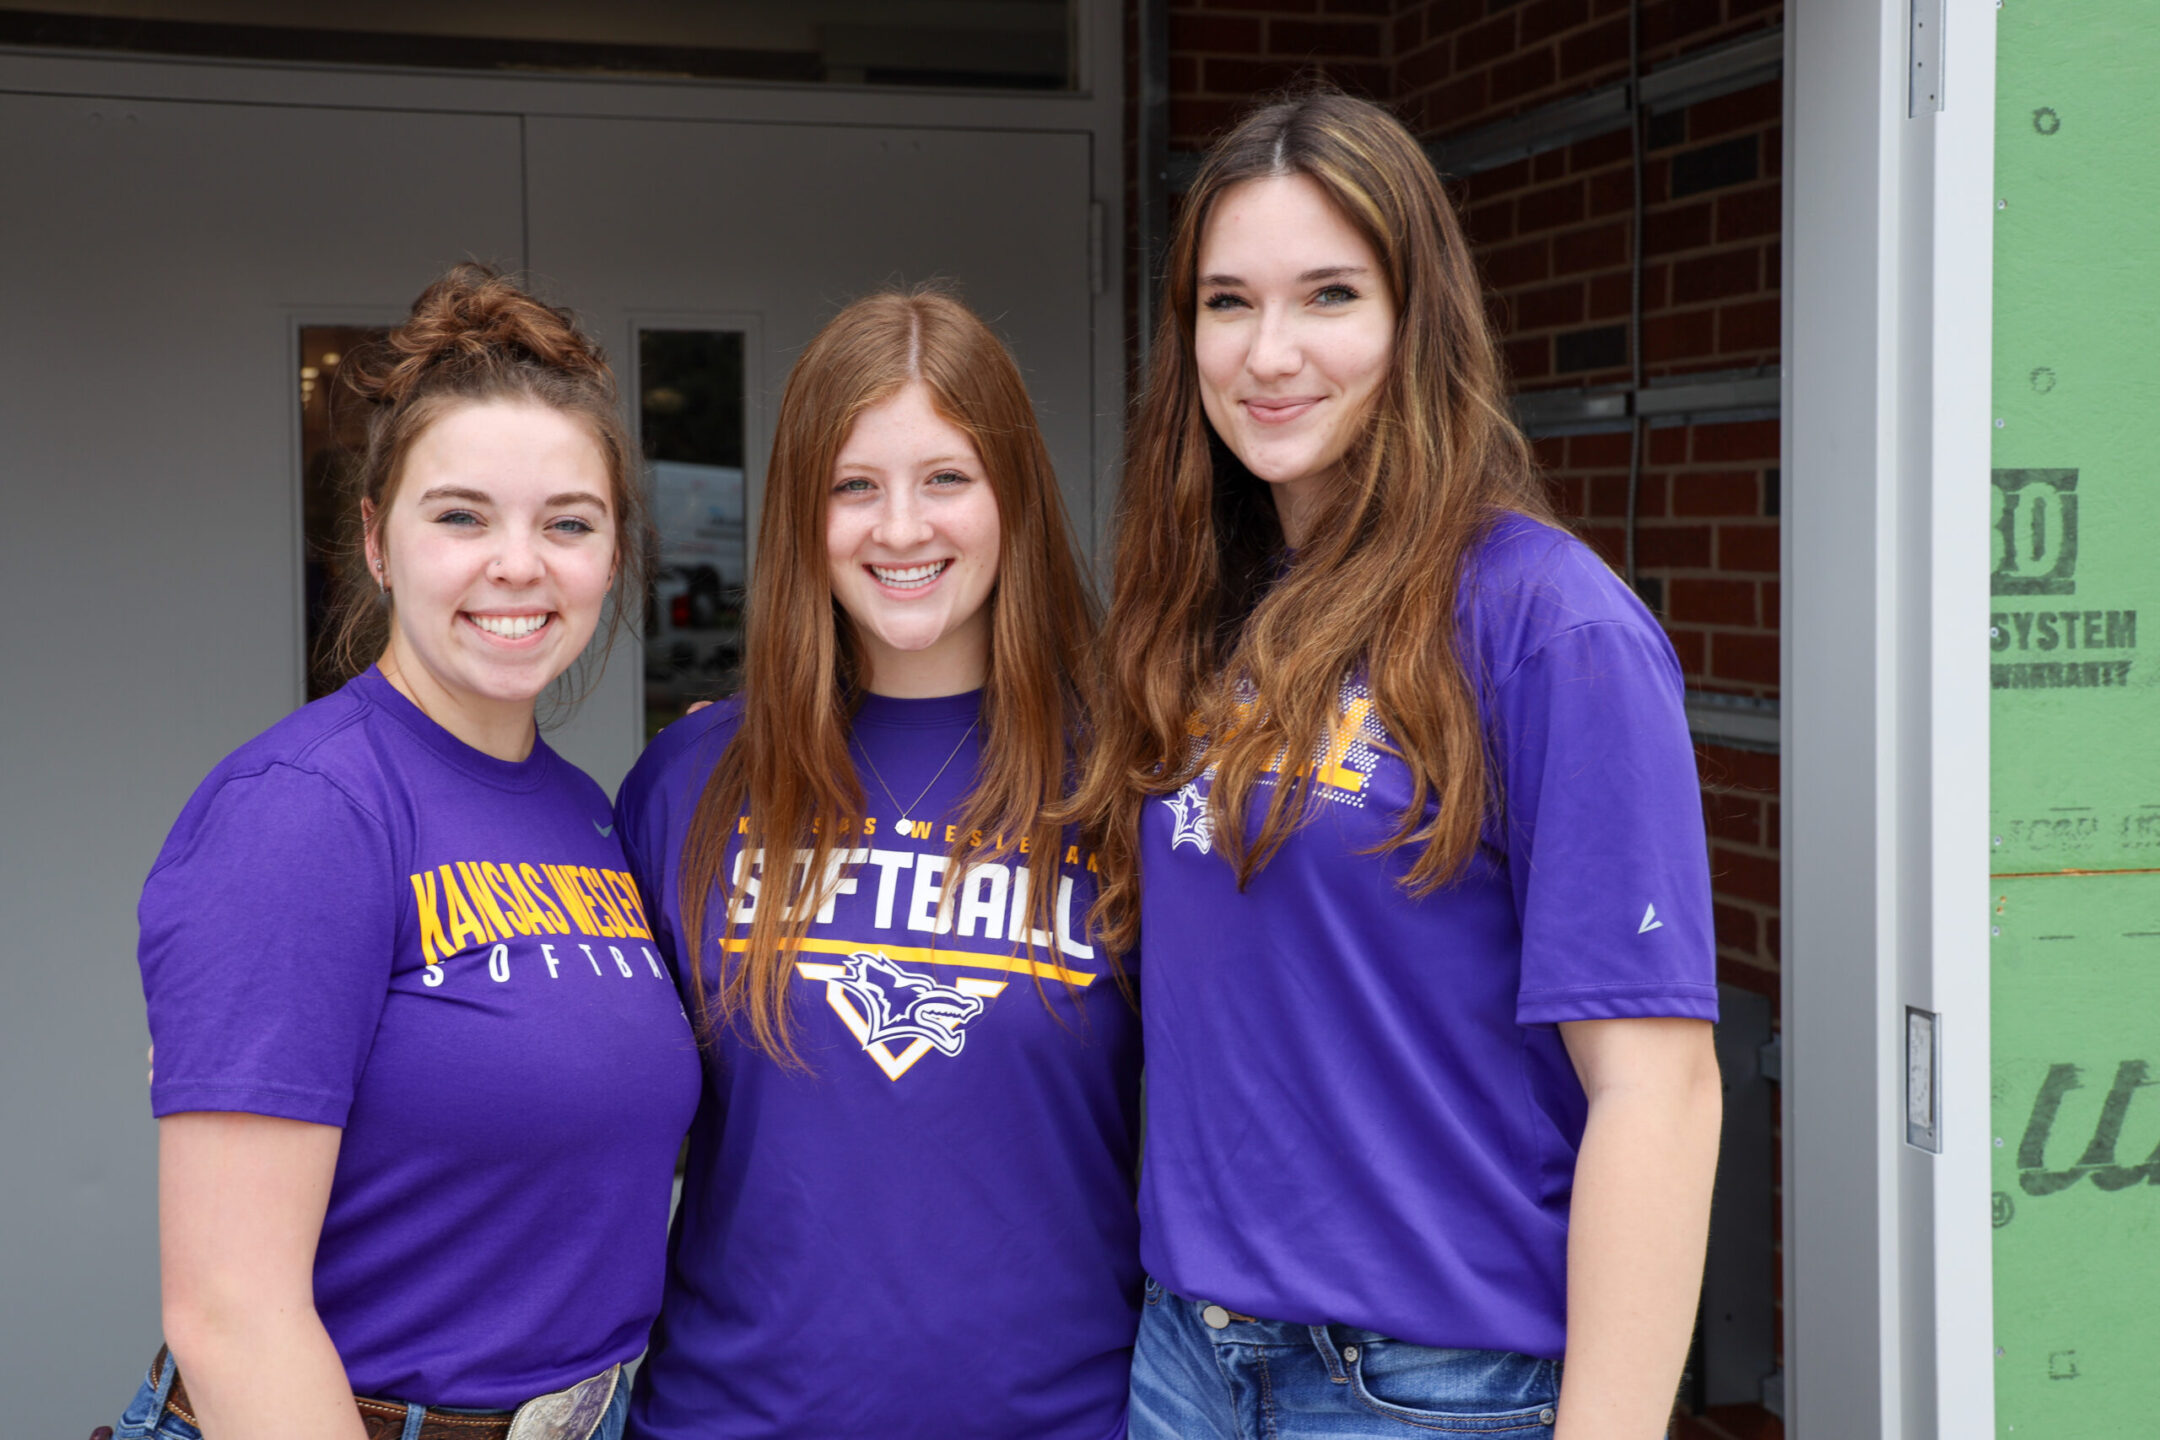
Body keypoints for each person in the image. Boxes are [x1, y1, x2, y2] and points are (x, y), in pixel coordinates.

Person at [1070, 92, 1724, 1440]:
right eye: (1227, 302)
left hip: (1428, 1387)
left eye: (1328, 296)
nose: (1271, 352)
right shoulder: (1200, 616)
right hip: (1189, 1359)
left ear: (1415, 316)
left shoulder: (1548, 624)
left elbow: (1658, 1088)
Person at [116, 266, 700, 1440]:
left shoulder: (587, 812)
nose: (518, 564)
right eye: (462, 515)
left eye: (568, 523)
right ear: (379, 542)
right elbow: (232, 1314)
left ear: (612, 554)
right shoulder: (303, 812)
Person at [615, 289, 1141, 1439]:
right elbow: (579, 1109)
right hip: (727, 1420)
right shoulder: (688, 784)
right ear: (804, 513)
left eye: (946, 477)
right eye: (856, 486)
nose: (901, 529)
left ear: (1015, 501)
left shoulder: (1123, 784)